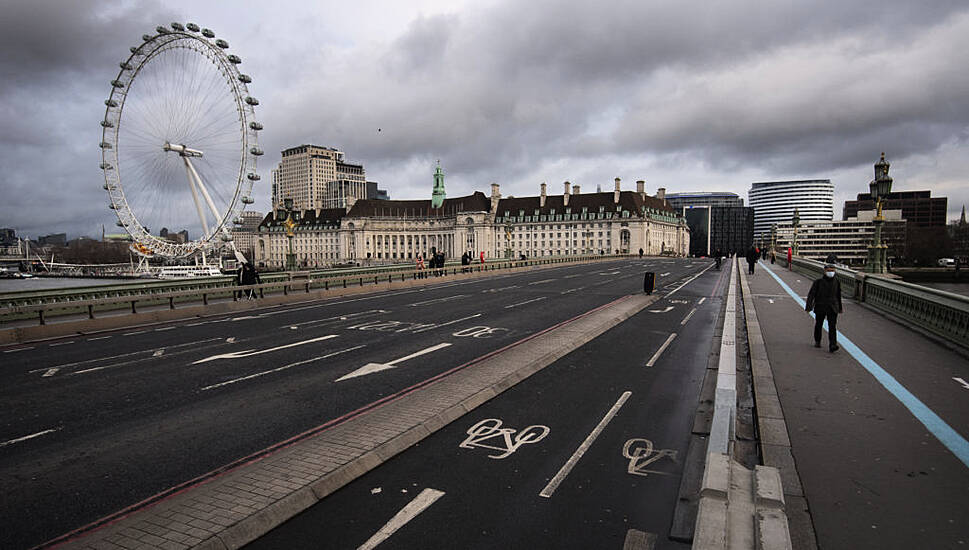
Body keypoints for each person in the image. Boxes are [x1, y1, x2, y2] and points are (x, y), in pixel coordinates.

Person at [805, 263, 843, 352]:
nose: (831, 272)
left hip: (833, 307)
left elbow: (838, 295)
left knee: (832, 326)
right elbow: (811, 294)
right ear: (825, 271)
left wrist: (840, 308)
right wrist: (808, 306)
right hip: (820, 305)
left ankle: (833, 344)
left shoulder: (837, 281)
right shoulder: (818, 282)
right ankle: (817, 340)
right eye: (829, 271)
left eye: (832, 271)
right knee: (819, 324)